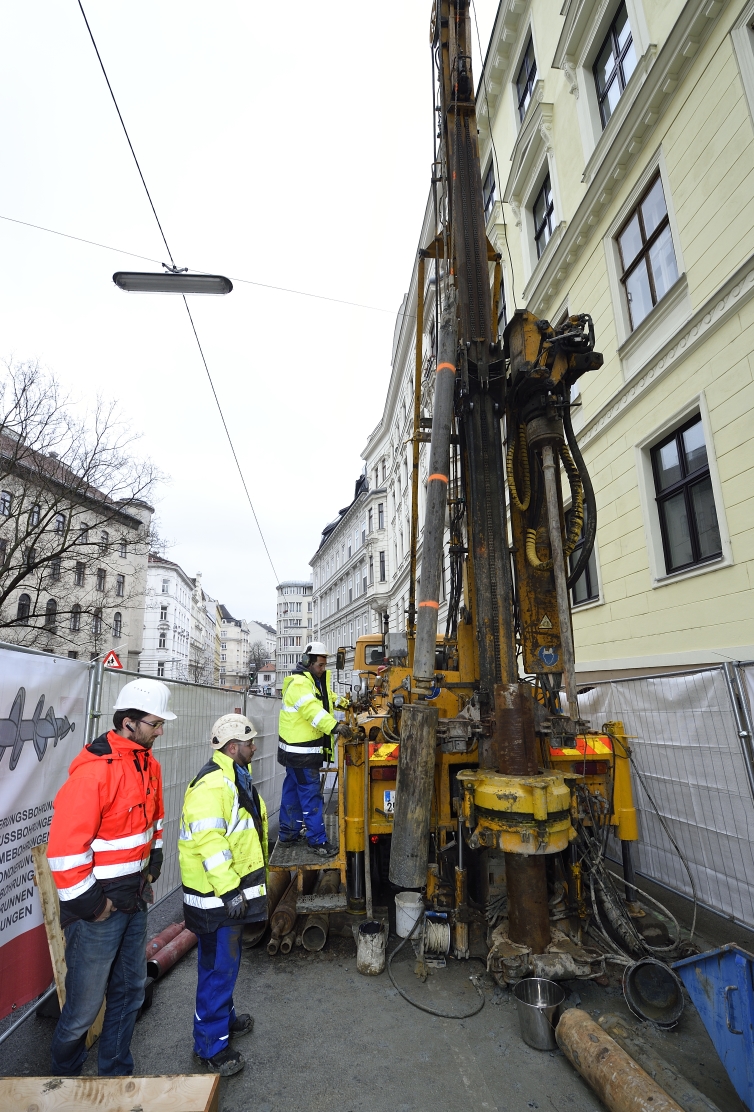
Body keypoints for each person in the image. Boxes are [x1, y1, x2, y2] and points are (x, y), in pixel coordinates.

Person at [47, 678, 174, 1077]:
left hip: (132, 897)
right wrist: (92, 905)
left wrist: (153, 858)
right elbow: (65, 851)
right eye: (155, 723)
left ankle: (116, 1074)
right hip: (99, 906)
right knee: (84, 1008)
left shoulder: (147, 763)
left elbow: (153, 821)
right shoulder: (94, 772)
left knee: (129, 991)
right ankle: (62, 1081)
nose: (160, 730)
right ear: (128, 722)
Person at [178, 713, 268, 1077]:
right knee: (218, 970)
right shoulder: (214, 786)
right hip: (217, 900)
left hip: (224, 897)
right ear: (233, 747)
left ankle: (223, 1020)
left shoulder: (232, 778)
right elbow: (210, 844)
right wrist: (231, 891)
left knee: (222, 969)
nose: (254, 747)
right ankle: (211, 1046)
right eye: (249, 743)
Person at [277, 641, 349, 856]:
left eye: (325, 665)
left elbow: (326, 700)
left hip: (294, 751)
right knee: (311, 796)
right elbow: (312, 711)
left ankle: (288, 834)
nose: (323, 668)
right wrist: (335, 726)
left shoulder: (313, 682)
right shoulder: (300, 684)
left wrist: (345, 703)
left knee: (292, 792)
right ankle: (317, 841)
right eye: (320, 665)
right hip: (302, 753)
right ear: (308, 662)